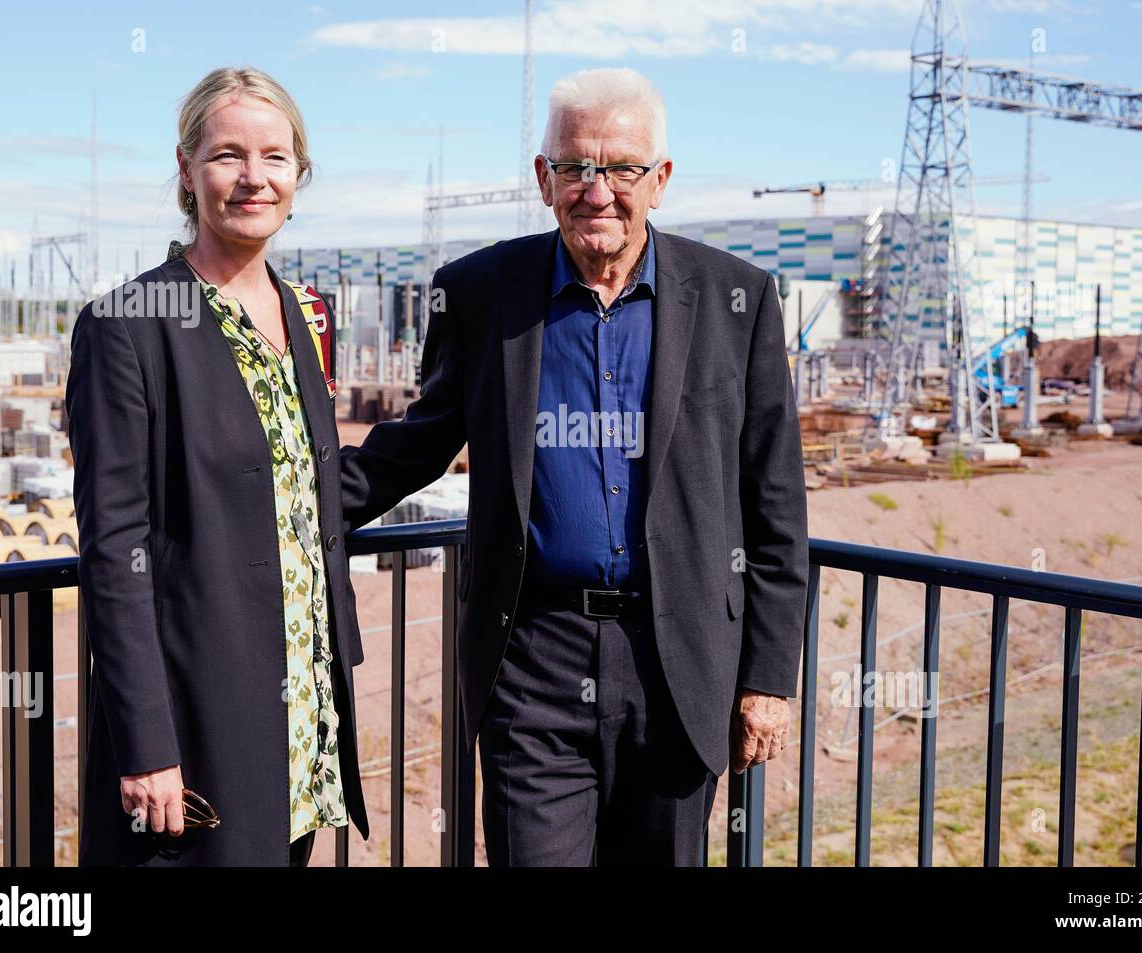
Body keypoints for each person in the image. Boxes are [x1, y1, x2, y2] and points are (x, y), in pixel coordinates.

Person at [341, 67, 809, 865]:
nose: (598, 190)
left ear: (659, 181)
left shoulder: (739, 298)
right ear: (543, 178)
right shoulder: (482, 292)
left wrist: (768, 676)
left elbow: (775, 502)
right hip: (534, 659)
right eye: (575, 167)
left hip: (680, 658)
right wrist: (272, 501)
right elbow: (416, 443)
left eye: (622, 168)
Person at [68, 67, 369, 866]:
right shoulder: (127, 325)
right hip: (199, 722)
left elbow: (307, 484)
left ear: (298, 175)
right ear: (186, 169)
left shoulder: (304, 312)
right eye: (227, 154)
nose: (252, 177)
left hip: (302, 720)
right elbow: (114, 547)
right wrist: (146, 742)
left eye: (275, 157)